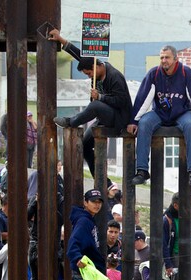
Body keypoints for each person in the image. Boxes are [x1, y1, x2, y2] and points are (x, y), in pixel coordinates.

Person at [50, 29, 132, 183]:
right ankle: (103, 182)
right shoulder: (95, 67)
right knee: (85, 146)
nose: (89, 76)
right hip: (104, 117)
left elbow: (121, 101)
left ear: (98, 67)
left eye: (89, 74)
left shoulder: (114, 77)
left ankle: (70, 122)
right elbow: (79, 55)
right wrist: (61, 39)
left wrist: (100, 97)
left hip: (119, 119)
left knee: (95, 106)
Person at [128, 45, 191, 186]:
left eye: (167, 57)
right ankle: (142, 170)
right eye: (161, 57)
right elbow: (142, 98)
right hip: (159, 113)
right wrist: (133, 120)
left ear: (175, 58)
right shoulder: (154, 74)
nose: (164, 60)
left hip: (182, 113)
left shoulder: (186, 73)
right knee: (144, 123)